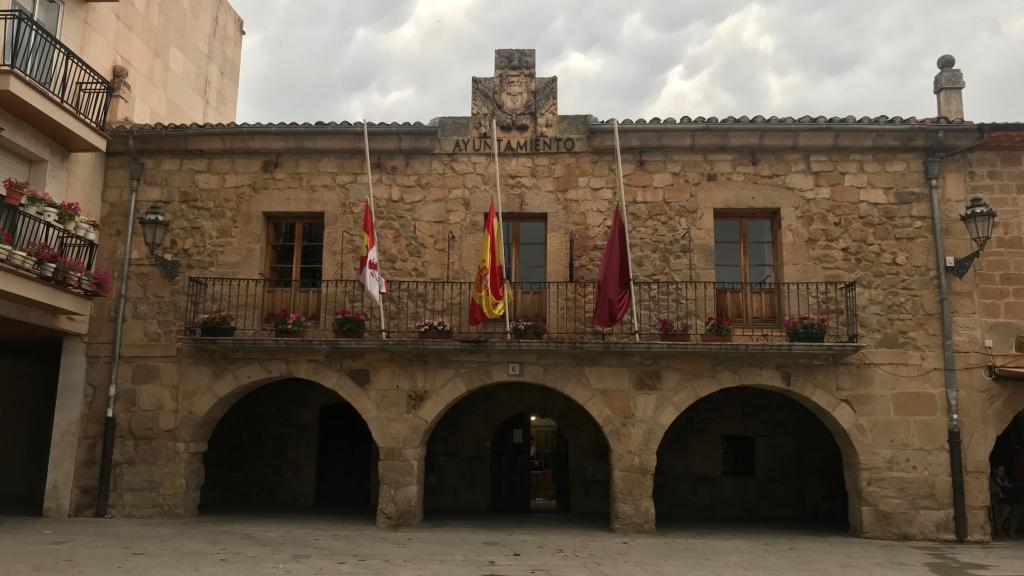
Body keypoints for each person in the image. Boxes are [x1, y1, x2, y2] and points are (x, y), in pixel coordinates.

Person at [990, 465, 1013, 536]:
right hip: (992, 501)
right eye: (1000, 470)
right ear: (995, 470)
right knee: (993, 516)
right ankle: (995, 532)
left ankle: (999, 529)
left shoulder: (1003, 479)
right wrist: (1001, 487)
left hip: (999, 501)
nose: (1002, 473)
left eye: (1003, 471)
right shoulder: (991, 479)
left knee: (1007, 509)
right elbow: (988, 491)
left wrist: (1005, 486)